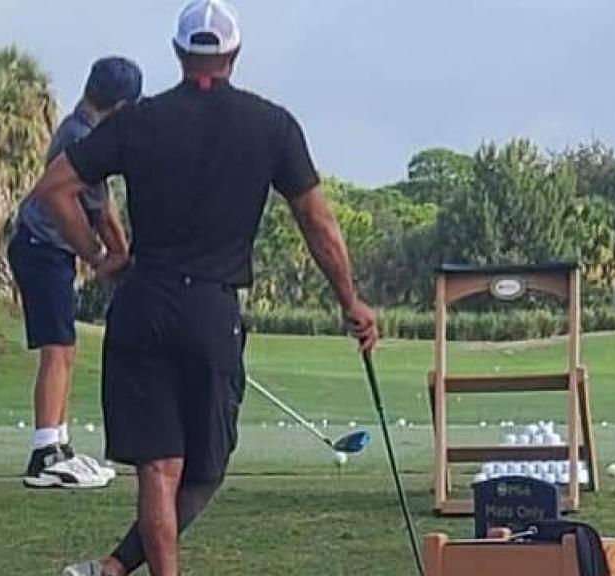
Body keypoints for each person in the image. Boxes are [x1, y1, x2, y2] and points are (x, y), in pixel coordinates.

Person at [29, 1, 380, 574]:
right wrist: (350, 302)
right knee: (206, 469)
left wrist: (98, 256)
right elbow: (318, 223)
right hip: (210, 310)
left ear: (178, 53)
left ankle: (117, 568)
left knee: (158, 469)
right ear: (234, 55)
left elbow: (54, 188)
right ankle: (119, 568)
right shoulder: (271, 125)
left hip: (143, 302)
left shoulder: (138, 120)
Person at [9, 57, 142, 489]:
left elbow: (103, 211)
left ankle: (59, 444)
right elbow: (101, 213)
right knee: (58, 348)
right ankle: (44, 451)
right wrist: (108, 259)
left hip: (50, 251)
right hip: (40, 247)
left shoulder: (83, 129)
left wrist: (120, 258)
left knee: (65, 348)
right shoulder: (80, 136)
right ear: (122, 105)